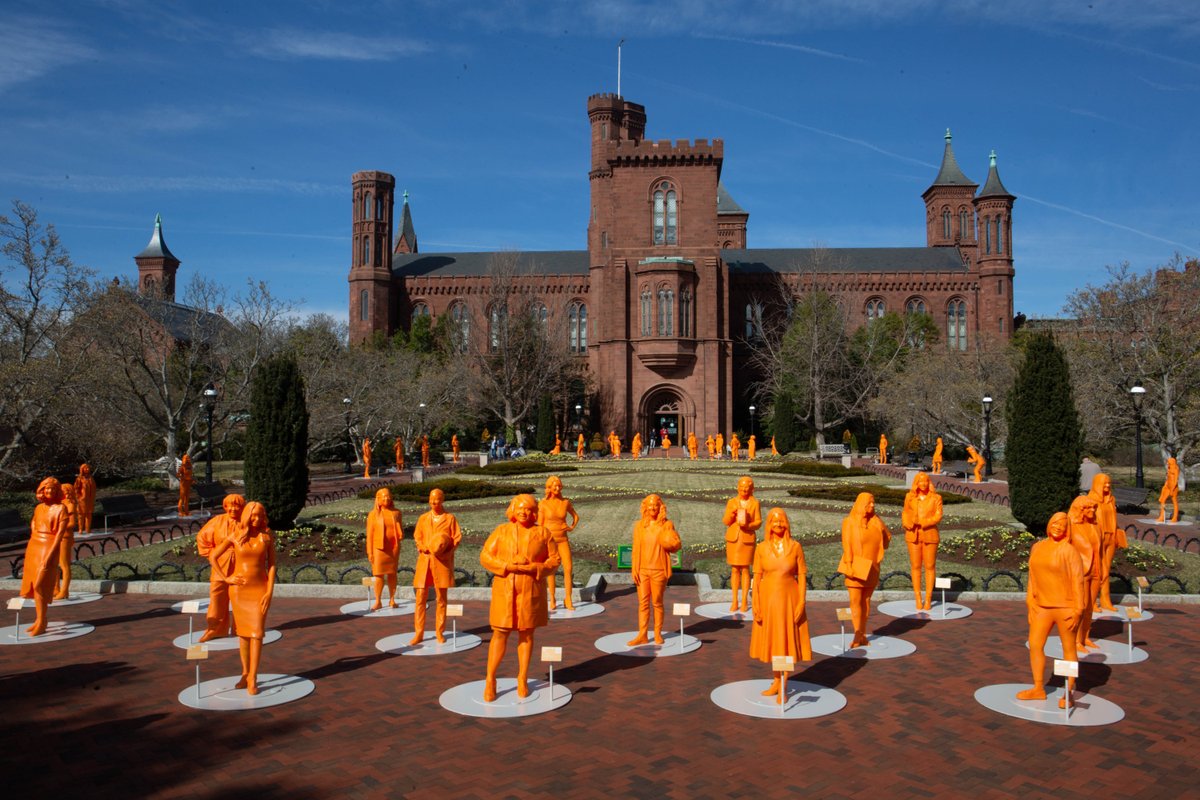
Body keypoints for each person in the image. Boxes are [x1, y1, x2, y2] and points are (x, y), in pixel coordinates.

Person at [480, 494, 559, 701]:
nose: (524, 512)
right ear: (513, 510)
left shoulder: (543, 533)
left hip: (530, 588)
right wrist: (506, 566)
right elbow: (485, 556)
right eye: (520, 508)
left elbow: (555, 560)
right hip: (505, 588)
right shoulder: (501, 531)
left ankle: (522, 678)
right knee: (500, 633)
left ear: (534, 512)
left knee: (527, 633)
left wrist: (535, 567)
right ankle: (490, 678)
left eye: (528, 509)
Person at [1017, 512, 1084, 708]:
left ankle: (1069, 692)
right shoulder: (1037, 547)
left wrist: (1078, 609)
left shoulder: (1069, 551)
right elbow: (1032, 576)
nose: (1058, 527)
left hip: (1066, 608)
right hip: (1041, 607)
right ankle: (1038, 688)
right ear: (1049, 524)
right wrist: (1030, 601)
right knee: (1035, 644)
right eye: (1055, 523)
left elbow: (1078, 582)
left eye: (1062, 524)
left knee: (1068, 649)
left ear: (1067, 529)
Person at [211, 501, 276, 695]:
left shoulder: (266, 537)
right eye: (253, 515)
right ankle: (245, 673)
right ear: (247, 515)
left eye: (260, 515)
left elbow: (272, 565)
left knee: (256, 633)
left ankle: (253, 677)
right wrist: (226, 578)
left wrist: (269, 591)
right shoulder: (235, 537)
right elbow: (213, 556)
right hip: (239, 591)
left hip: (259, 590)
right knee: (243, 635)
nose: (256, 519)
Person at [750, 508, 811, 701]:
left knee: (786, 641)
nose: (778, 524)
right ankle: (776, 680)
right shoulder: (761, 548)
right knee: (774, 641)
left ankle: (784, 684)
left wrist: (801, 602)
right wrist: (756, 603)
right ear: (768, 524)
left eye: (781, 521)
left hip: (789, 600)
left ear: (787, 523)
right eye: (774, 521)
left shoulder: (795, 547)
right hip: (768, 600)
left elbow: (801, 575)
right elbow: (756, 577)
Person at [628, 494, 683, 645]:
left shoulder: (666, 524)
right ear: (645, 507)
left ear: (660, 507)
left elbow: (676, 545)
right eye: (649, 505)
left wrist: (674, 541)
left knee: (657, 602)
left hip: (659, 570)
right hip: (642, 570)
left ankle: (658, 633)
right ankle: (643, 634)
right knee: (643, 603)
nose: (652, 508)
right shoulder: (639, 526)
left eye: (655, 505)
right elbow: (635, 549)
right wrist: (634, 568)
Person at [837, 492, 891, 648]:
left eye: (873, 503)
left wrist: (881, 526)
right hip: (855, 566)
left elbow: (886, 542)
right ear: (861, 505)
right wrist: (848, 564)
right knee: (855, 601)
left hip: (872, 567)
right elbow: (846, 545)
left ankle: (862, 634)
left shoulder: (876, 522)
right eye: (869, 503)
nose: (872, 506)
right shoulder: (849, 522)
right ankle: (857, 633)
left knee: (866, 601)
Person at [410, 488, 462, 645]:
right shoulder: (423, 518)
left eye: (437, 499)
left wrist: (447, 552)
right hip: (425, 562)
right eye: (431, 499)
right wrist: (422, 546)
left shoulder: (450, 519)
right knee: (420, 597)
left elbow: (456, 538)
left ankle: (440, 631)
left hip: (441, 563)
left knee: (441, 598)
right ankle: (419, 632)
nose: (433, 502)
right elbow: (417, 536)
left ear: (442, 500)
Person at [20, 478, 68, 635]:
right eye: (47, 489)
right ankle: (40, 619)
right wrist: (34, 537)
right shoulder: (39, 508)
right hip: (34, 546)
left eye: (53, 489)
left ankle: (42, 619)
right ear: (42, 490)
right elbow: (33, 524)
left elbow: (59, 536)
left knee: (41, 583)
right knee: (34, 585)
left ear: (57, 491)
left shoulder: (61, 509)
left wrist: (50, 555)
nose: (49, 492)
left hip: (49, 546)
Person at [196, 493, 246, 642]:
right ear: (225, 507)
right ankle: (215, 629)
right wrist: (214, 554)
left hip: (241, 565)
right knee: (217, 598)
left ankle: (241, 627)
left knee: (241, 598)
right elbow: (202, 538)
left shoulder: (246, 522)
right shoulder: (217, 521)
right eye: (230, 506)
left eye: (237, 506)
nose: (233, 509)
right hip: (220, 567)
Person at [901, 472, 943, 610]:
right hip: (913, 535)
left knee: (930, 566)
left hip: (930, 535)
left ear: (929, 482)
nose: (923, 484)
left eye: (925, 481)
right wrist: (908, 523)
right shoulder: (910, 497)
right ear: (916, 483)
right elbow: (905, 512)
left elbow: (938, 516)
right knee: (915, 566)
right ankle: (918, 598)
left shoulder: (936, 498)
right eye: (920, 481)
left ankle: (928, 598)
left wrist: (923, 522)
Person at [538, 476, 580, 611]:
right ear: (549, 487)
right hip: (549, 541)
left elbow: (575, 516)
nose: (557, 488)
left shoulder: (565, 502)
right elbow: (540, 524)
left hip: (563, 539)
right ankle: (552, 598)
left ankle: (568, 598)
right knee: (551, 570)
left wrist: (571, 527)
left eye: (559, 486)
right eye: (554, 486)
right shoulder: (543, 504)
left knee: (568, 568)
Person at [1066, 494, 1102, 650]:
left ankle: (1085, 637)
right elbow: (1064, 549)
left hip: (1095, 571)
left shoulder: (1095, 526)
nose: (1092, 511)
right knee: (1080, 607)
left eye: (1093, 508)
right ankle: (1075, 641)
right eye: (1088, 508)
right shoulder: (1072, 527)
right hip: (1081, 572)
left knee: (1089, 608)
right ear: (1080, 509)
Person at [723, 477, 762, 612]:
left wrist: (749, 525)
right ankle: (734, 600)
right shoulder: (732, 502)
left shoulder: (755, 503)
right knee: (734, 569)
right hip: (734, 539)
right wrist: (731, 513)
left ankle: (744, 600)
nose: (744, 490)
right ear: (737, 487)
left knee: (745, 569)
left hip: (747, 539)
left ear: (752, 489)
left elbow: (758, 522)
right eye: (741, 487)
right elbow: (726, 521)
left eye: (747, 487)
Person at [1088, 473, 1126, 611]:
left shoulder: (1111, 500)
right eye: (1104, 483)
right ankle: (1091, 601)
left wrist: (1116, 534)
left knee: (1106, 570)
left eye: (1109, 483)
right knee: (1098, 570)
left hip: (1110, 537)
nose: (1108, 486)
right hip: (1098, 538)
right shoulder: (1091, 500)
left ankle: (1105, 599)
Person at [366, 488, 403, 611]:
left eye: (388, 496)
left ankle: (392, 599)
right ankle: (378, 601)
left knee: (392, 574)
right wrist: (370, 552)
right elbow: (369, 535)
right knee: (379, 575)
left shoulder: (397, 513)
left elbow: (399, 529)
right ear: (378, 499)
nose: (386, 499)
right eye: (383, 497)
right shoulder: (373, 515)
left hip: (393, 548)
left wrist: (400, 533)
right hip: (379, 549)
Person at [53, 482, 79, 601]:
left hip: (65, 537)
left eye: (67, 491)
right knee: (55, 563)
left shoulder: (70, 505)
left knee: (64, 564)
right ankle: (56, 587)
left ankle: (65, 590)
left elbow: (72, 523)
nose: (65, 493)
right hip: (56, 536)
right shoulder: (58, 504)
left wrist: (59, 527)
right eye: (63, 491)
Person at [75, 463, 96, 533]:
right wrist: (79, 497)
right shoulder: (79, 479)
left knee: (89, 514)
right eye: (85, 468)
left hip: (90, 499)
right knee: (81, 515)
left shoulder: (91, 478)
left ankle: (88, 529)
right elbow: (76, 489)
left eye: (88, 468)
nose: (87, 469)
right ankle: (80, 529)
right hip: (82, 500)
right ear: (82, 469)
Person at [1158, 456, 1180, 523]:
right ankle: (1162, 516)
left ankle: (1175, 517)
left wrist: (1172, 489)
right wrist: (1165, 486)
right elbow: (1168, 479)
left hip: (1173, 488)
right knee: (1162, 500)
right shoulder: (1169, 468)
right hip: (1167, 487)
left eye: (1169, 462)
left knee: (1174, 502)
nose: (1167, 463)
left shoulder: (1176, 469)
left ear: (1172, 462)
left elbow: (1176, 481)